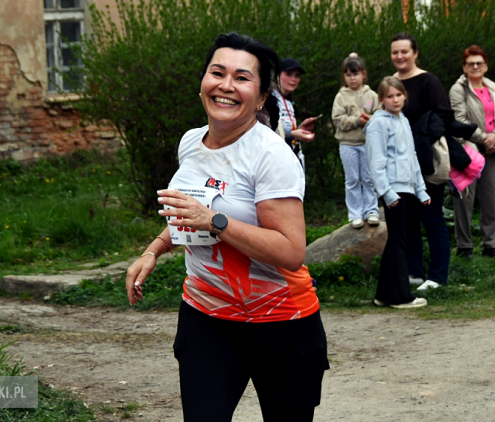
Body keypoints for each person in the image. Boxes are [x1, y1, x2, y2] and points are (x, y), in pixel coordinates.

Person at [125, 32, 328, 422]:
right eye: (217, 73)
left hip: (280, 321)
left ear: (262, 96)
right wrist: (155, 248)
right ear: (203, 80)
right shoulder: (190, 143)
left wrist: (215, 222)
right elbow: (192, 214)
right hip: (207, 316)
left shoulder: (271, 156)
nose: (226, 86)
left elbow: (290, 251)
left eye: (242, 77)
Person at [390, 32, 451, 290]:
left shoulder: (428, 81)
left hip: (426, 162)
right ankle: (414, 271)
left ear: (415, 53)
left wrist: (419, 139)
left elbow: (444, 117)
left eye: (405, 51)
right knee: (409, 220)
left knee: (432, 217)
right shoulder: (391, 84)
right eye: (395, 52)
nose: (400, 56)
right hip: (399, 163)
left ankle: (438, 276)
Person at [365, 76, 430, 309]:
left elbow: (411, 157)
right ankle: (401, 297)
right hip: (394, 191)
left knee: (399, 240)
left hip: (408, 189)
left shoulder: (403, 120)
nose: (395, 100)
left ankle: (385, 294)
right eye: (389, 96)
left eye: (398, 95)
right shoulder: (378, 124)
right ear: (381, 99)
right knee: (398, 242)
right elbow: (376, 161)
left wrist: (421, 190)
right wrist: (387, 193)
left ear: (405, 95)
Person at [448, 45, 495, 259]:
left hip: (493, 150)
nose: (475, 67)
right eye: (471, 63)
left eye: (479, 63)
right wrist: (484, 138)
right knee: (465, 199)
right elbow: (460, 120)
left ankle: (490, 245)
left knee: (491, 199)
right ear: (464, 67)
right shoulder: (458, 89)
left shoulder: (494, 89)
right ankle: (464, 246)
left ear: (486, 66)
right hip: (469, 150)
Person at [332, 53, 380, 229]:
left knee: (368, 178)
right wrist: (356, 121)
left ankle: (372, 211)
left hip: (368, 143)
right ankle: (355, 214)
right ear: (344, 76)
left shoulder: (372, 95)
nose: (352, 78)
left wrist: (371, 119)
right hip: (347, 144)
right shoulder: (340, 97)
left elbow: (381, 116)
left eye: (356, 73)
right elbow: (337, 120)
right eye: (348, 74)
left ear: (363, 74)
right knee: (352, 179)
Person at [272, 57, 318, 168]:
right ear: (278, 75)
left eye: (297, 76)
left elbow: (287, 129)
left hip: (293, 156)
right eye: (289, 74)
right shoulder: (269, 99)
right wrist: (293, 133)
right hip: (276, 160)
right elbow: (269, 129)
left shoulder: (289, 101)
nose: (293, 79)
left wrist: (300, 130)